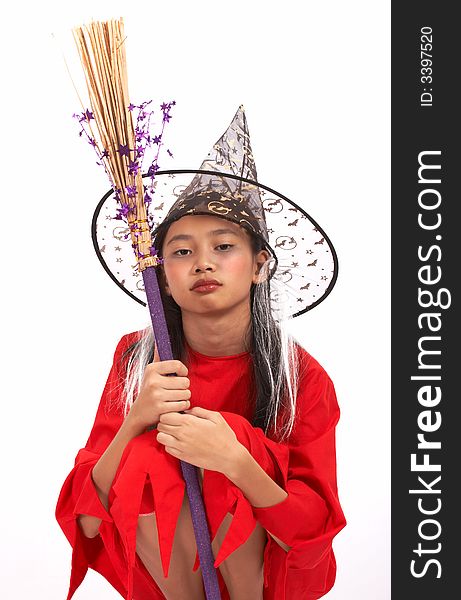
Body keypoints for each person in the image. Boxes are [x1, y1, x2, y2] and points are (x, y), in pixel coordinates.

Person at [56, 106, 346, 600]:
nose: (203, 263)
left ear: (259, 267)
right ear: (163, 278)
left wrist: (237, 462)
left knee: (228, 433)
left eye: (224, 246)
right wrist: (136, 421)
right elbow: (85, 522)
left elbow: (310, 529)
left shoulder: (299, 376)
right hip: (176, 585)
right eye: (182, 251)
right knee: (150, 448)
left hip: (264, 579)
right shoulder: (138, 359)